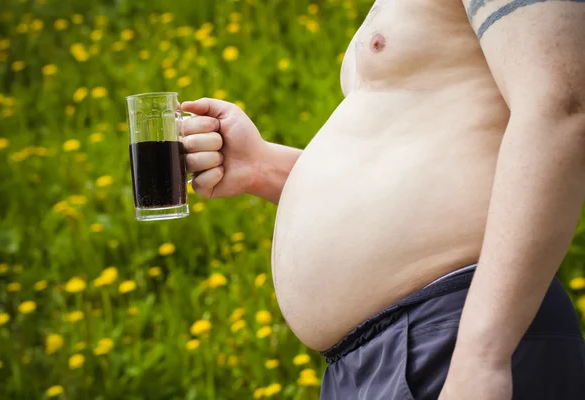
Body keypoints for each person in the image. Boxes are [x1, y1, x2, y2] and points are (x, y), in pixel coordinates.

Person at [179, 0, 585, 398]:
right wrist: (263, 166)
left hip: (450, 335)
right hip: (371, 360)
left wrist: (482, 354)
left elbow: (560, 104)